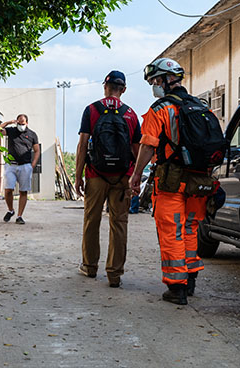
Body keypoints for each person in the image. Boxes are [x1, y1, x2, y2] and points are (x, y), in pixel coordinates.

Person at [129, 58, 207, 305]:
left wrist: (135, 175)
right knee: (189, 229)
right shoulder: (202, 106)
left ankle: (177, 288)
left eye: (154, 80)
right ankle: (190, 279)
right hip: (198, 182)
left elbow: (148, 145)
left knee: (172, 231)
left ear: (164, 80)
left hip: (171, 182)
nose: (153, 85)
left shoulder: (159, 109)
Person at [75, 70, 141, 288]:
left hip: (96, 175)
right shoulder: (130, 114)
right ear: (123, 90)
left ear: (105, 87)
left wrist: (78, 176)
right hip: (122, 178)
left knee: (91, 221)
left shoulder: (92, 110)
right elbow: (136, 150)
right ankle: (114, 274)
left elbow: (83, 145)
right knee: (119, 223)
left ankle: (89, 267)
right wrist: (135, 177)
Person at [0, 114, 40, 225]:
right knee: (8, 190)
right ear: (16, 122)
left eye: (23, 123)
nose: (21, 125)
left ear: (27, 123)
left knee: (23, 191)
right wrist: (8, 122)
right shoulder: (11, 131)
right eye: (19, 123)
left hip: (25, 166)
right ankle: (10, 210)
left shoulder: (32, 134)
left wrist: (33, 165)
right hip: (11, 165)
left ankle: (19, 216)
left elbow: (37, 150)